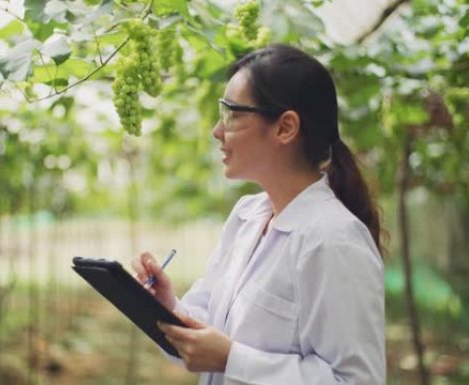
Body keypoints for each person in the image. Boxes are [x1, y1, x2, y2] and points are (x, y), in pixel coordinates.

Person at [132, 44, 385, 385]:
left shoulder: (333, 239)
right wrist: (168, 307)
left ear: (285, 128)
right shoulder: (246, 216)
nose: (217, 132)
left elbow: (356, 380)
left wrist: (233, 360)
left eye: (232, 114)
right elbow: (211, 328)